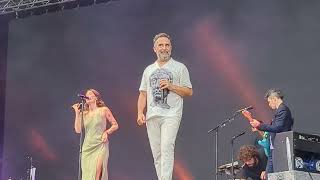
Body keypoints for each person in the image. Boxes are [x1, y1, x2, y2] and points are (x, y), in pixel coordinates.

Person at [137, 33, 193, 180]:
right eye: (161, 45)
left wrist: (171, 86)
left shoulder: (180, 67)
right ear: (154, 49)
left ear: (171, 48)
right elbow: (143, 94)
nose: (164, 48)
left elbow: (188, 91)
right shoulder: (148, 70)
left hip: (171, 114)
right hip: (152, 115)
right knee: (157, 153)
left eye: (167, 45)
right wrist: (139, 113)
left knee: (167, 147)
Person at [242, 89, 294, 174]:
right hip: (275, 146)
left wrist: (259, 125)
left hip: (280, 145)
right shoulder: (280, 111)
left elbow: (277, 127)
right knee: (270, 171)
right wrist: (252, 120)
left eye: (269, 102)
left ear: (274, 99)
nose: (269, 105)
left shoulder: (283, 110)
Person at [72, 89, 119, 180]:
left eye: (90, 94)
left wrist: (106, 132)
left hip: (100, 144)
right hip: (87, 147)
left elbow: (115, 125)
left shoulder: (103, 110)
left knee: (98, 173)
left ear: (96, 98)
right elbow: (78, 130)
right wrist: (77, 113)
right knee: (88, 174)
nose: (87, 96)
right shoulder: (84, 114)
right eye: (86, 95)